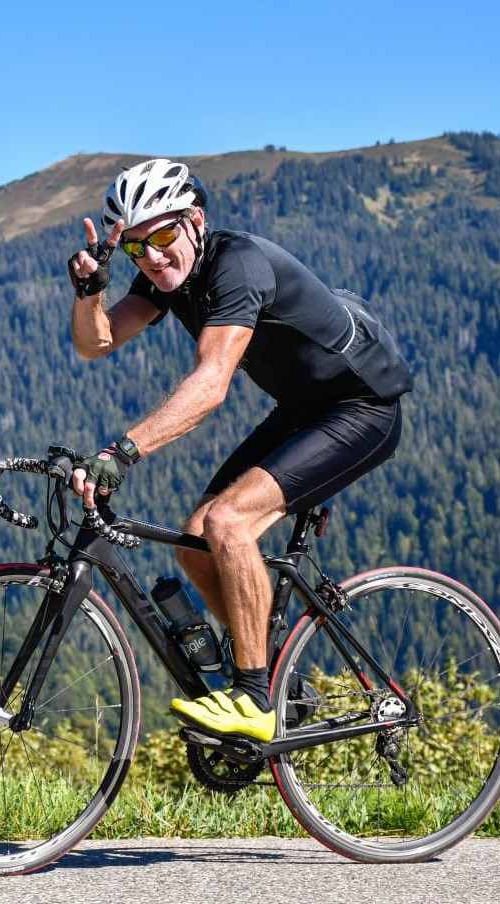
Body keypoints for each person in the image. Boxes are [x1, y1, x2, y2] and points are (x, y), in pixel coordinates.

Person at [68, 158, 412, 742]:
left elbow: (211, 385)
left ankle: (255, 700)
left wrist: (122, 452)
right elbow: (95, 342)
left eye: (162, 237)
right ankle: (277, 677)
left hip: (362, 408)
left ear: (195, 220)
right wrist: (89, 293)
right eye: (134, 247)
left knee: (228, 522)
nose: (152, 257)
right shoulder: (165, 275)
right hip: (302, 410)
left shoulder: (237, 266)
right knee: (197, 542)